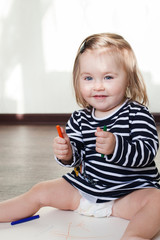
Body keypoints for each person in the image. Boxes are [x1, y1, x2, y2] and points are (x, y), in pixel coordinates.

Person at [0, 33, 160, 240]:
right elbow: (77, 158)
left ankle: (134, 236)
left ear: (128, 77)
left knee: (157, 201)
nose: (98, 86)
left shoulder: (137, 114)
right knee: (40, 190)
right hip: (85, 191)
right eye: (88, 78)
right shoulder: (79, 118)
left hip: (127, 196)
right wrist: (67, 153)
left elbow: (147, 152)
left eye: (108, 77)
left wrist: (116, 146)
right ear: (78, 80)